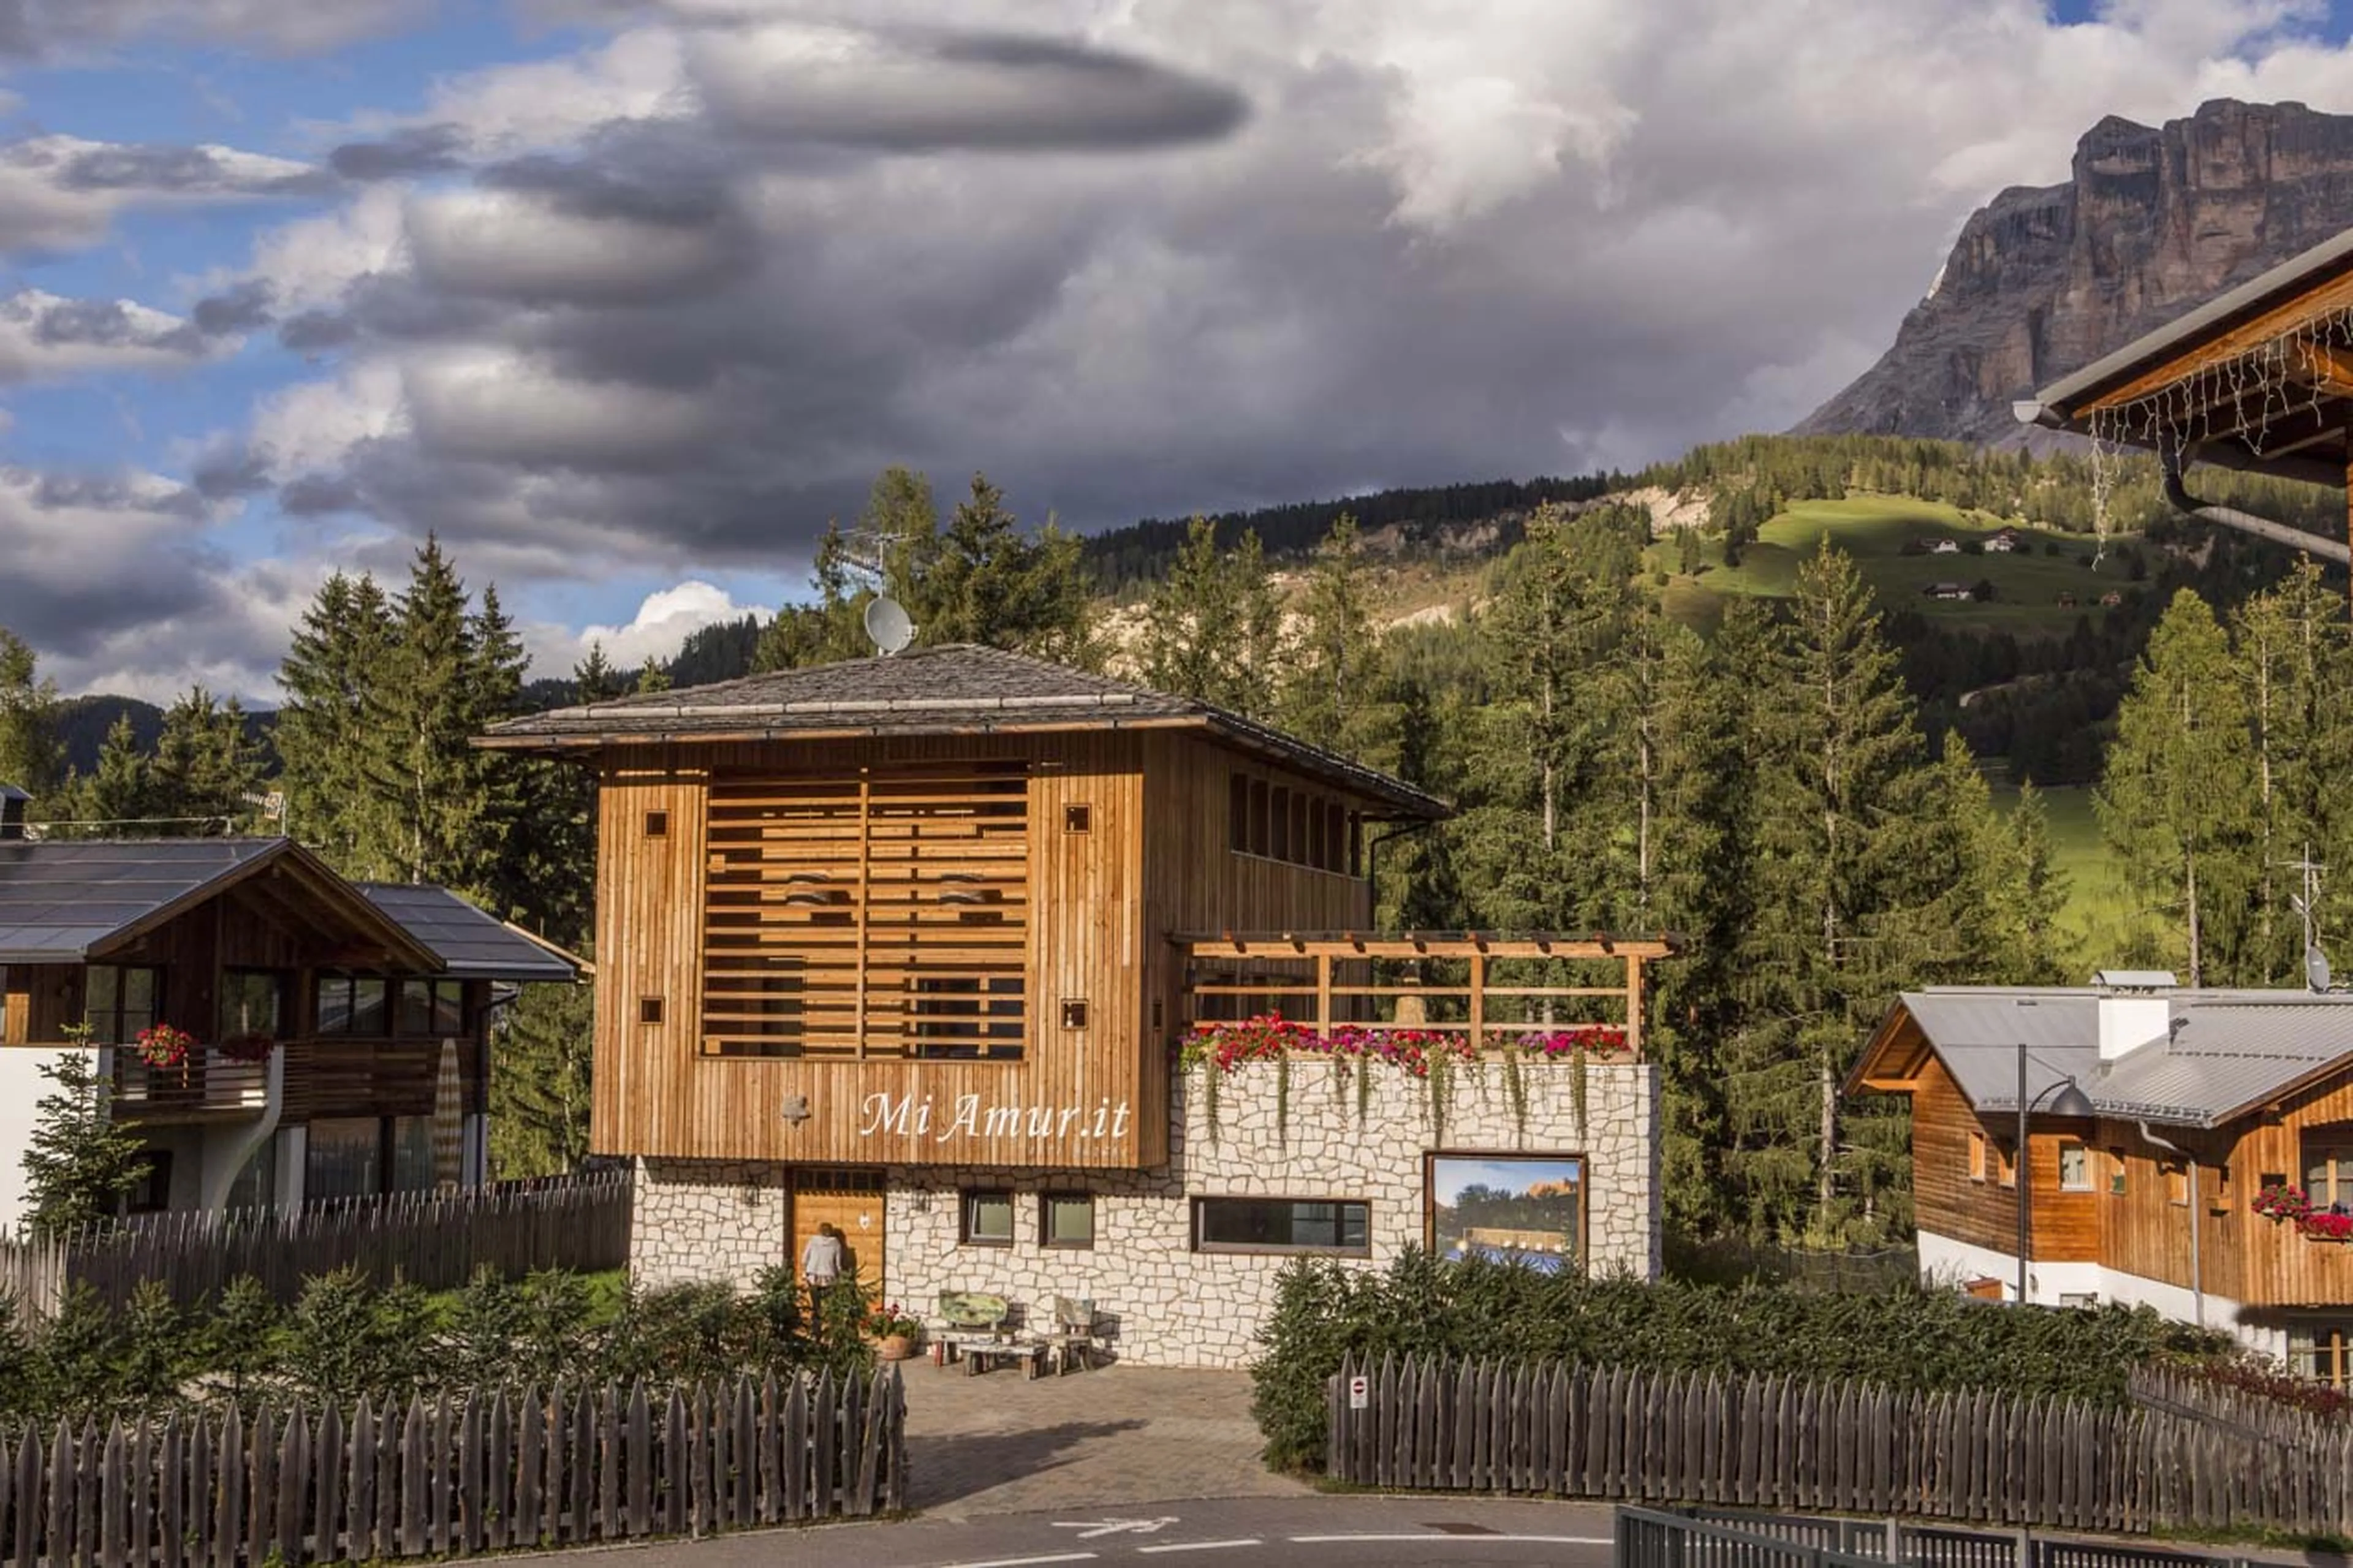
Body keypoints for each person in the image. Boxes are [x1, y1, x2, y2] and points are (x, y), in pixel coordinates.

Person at [801, 1221, 845, 1295]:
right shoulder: (836, 1244)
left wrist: (805, 1271)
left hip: (813, 1275)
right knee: (828, 1302)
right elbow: (838, 1264)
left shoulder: (812, 1241)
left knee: (816, 1302)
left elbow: (805, 1259)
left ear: (820, 1231)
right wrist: (841, 1276)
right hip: (829, 1276)